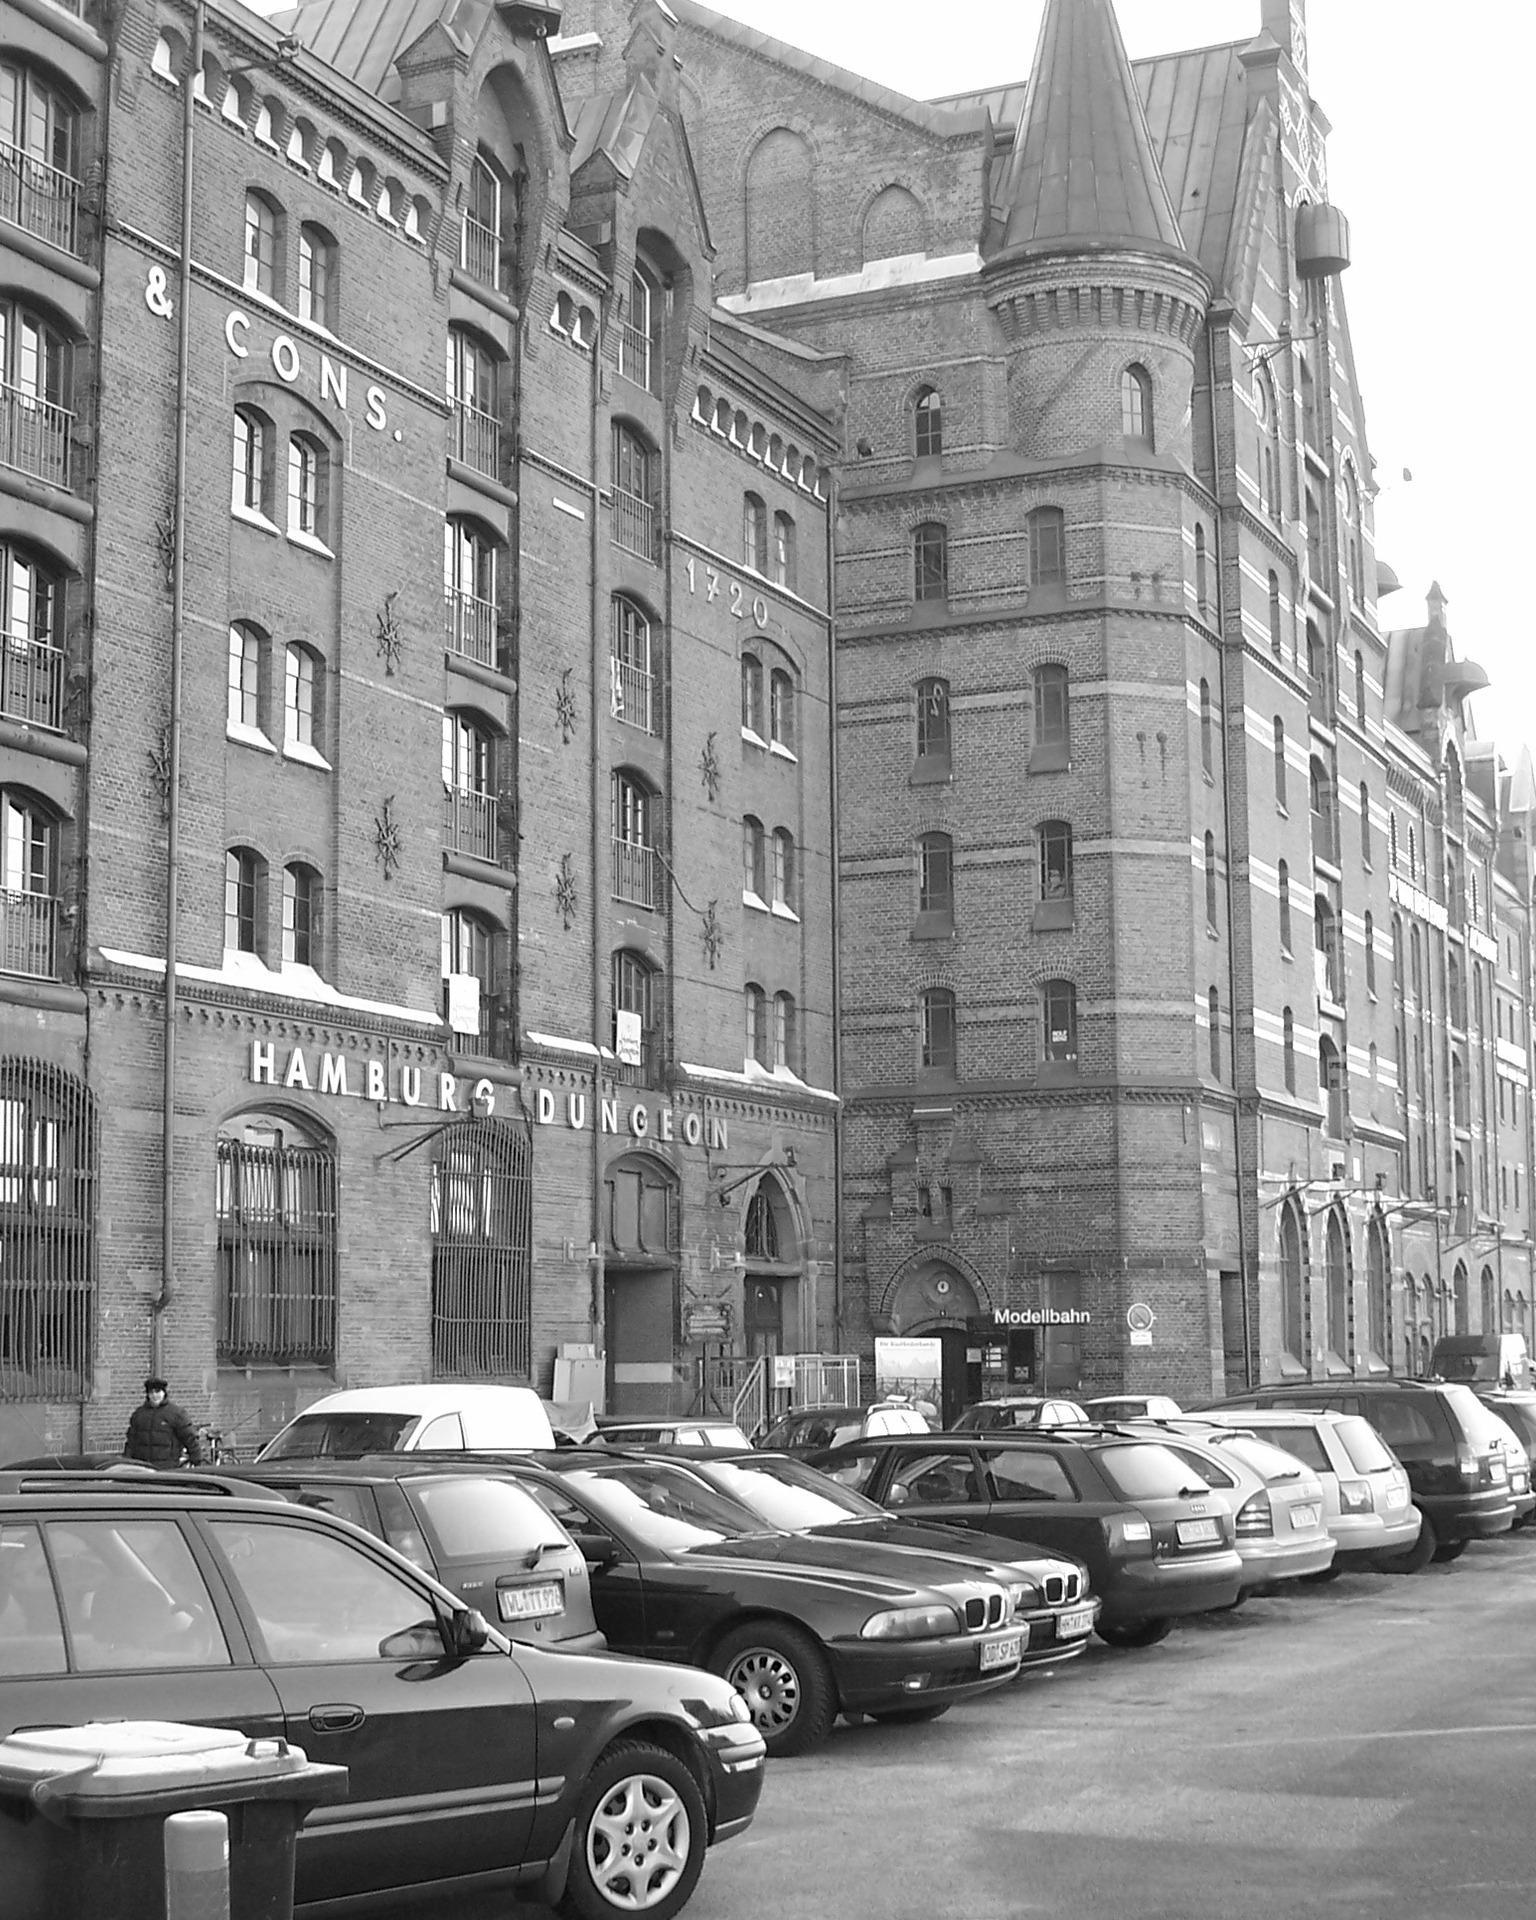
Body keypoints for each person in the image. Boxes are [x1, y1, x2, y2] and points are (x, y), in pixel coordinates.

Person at [123, 1377, 203, 1470]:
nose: (154, 1395)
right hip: (142, 1467)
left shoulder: (176, 1413)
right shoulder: (139, 1415)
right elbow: (131, 1441)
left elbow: (189, 1437)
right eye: (151, 1392)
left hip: (167, 1467)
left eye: (157, 1392)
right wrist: (127, 1460)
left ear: (164, 1393)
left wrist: (196, 1458)